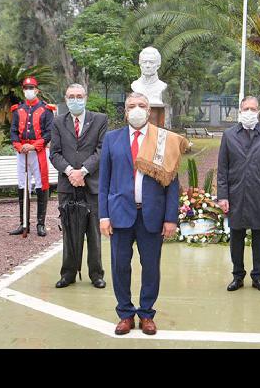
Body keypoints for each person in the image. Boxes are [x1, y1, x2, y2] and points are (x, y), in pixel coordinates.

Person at [99, 93, 188, 336]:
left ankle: (147, 313)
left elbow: (171, 182)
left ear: (149, 112)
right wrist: (103, 216)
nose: (136, 109)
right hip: (119, 214)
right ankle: (125, 314)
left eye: (141, 106)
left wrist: (171, 218)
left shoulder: (163, 140)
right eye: (131, 106)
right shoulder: (111, 139)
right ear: (125, 112)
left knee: (150, 267)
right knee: (119, 267)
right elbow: (104, 181)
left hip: (152, 215)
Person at [49, 84, 108, 288]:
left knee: (93, 231)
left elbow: (101, 150)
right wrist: (70, 172)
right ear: (66, 99)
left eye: (79, 96)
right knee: (69, 231)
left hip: (91, 184)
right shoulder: (58, 122)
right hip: (68, 185)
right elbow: (54, 153)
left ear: (86, 97)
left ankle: (96, 274)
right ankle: (68, 273)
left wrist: (83, 171)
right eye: (71, 96)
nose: (75, 100)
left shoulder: (100, 120)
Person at [217, 96, 260, 293]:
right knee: (236, 236)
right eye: (246, 108)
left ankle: (258, 276)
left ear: (259, 111)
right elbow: (222, 169)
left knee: (259, 237)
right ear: (240, 111)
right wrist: (223, 196)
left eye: (253, 108)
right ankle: (237, 275)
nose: (249, 112)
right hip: (236, 195)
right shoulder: (229, 135)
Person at [9, 76, 55, 237]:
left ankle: (40, 224)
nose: (29, 91)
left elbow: (49, 132)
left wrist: (34, 146)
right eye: (26, 88)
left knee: (42, 185)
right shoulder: (18, 110)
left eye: (31, 88)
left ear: (37, 90)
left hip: (39, 151)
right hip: (22, 152)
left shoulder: (46, 110)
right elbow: (13, 131)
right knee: (22, 185)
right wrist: (19, 146)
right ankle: (24, 223)